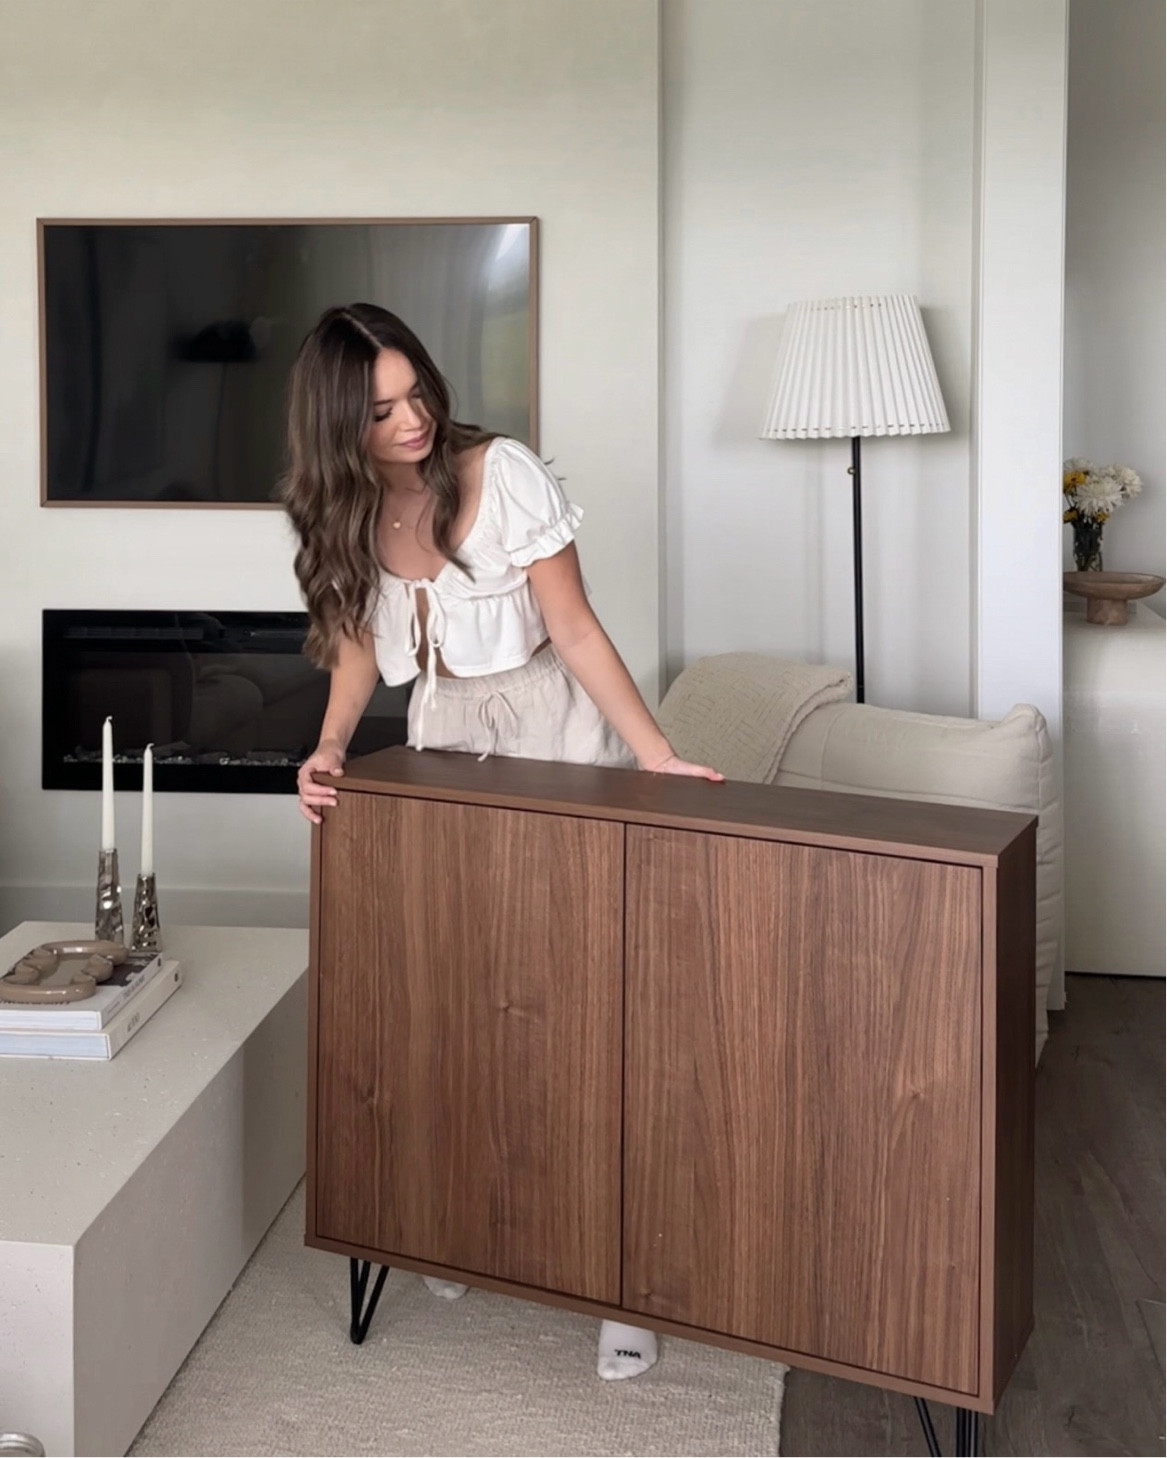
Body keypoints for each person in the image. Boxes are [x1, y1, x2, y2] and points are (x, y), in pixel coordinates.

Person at [284, 303, 723, 1382]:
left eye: (416, 393)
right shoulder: (348, 512)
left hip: (550, 736)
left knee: (592, 1018)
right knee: (461, 1002)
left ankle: (623, 1287)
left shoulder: (503, 473)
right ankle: (470, 1229)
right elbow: (357, 649)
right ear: (337, 426)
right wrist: (331, 747)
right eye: (380, 410)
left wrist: (656, 756)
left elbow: (573, 627)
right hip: (440, 744)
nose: (412, 421)